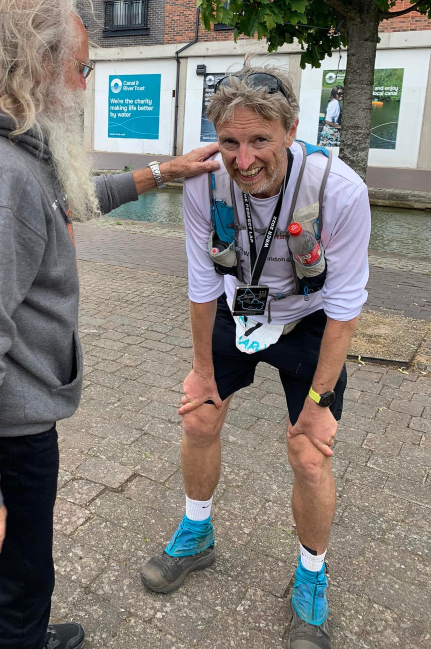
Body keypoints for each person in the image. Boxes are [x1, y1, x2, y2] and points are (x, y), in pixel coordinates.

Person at [0, 0, 219, 649]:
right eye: (82, 67)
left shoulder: (4, 144)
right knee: (18, 593)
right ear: (41, 62)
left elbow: (63, 202)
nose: (85, 83)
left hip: (12, 417)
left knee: (24, 576)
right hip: (9, 434)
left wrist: (162, 172)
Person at [140, 64, 370, 649]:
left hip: (311, 318)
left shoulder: (340, 191)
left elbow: (344, 307)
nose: (243, 161)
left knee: (310, 453)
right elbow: (197, 283)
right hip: (234, 307)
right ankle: (197, 534)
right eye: (230, 142)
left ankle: (311, 578)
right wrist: (202, 370)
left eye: (260, 140)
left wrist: (319, 402)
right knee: (198, 414)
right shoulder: (204, 181)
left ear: (291, 130)